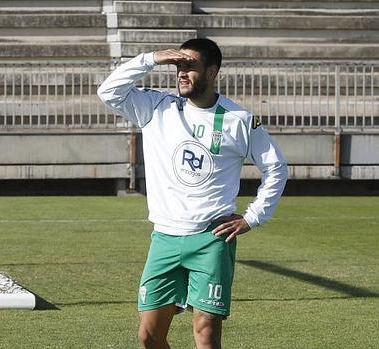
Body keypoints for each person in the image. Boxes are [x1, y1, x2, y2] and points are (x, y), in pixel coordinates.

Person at [97, 38, 288, 349]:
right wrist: (151, 58)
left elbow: (276, 167)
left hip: (211, 239)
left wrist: (253, 217)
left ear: (212, 72)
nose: (181, 73)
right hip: (165, 238)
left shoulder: (238, 119)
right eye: (178, 66)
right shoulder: (157, 108)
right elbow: (107, 91)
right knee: (148, 336)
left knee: (206, 334)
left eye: (190, 66)